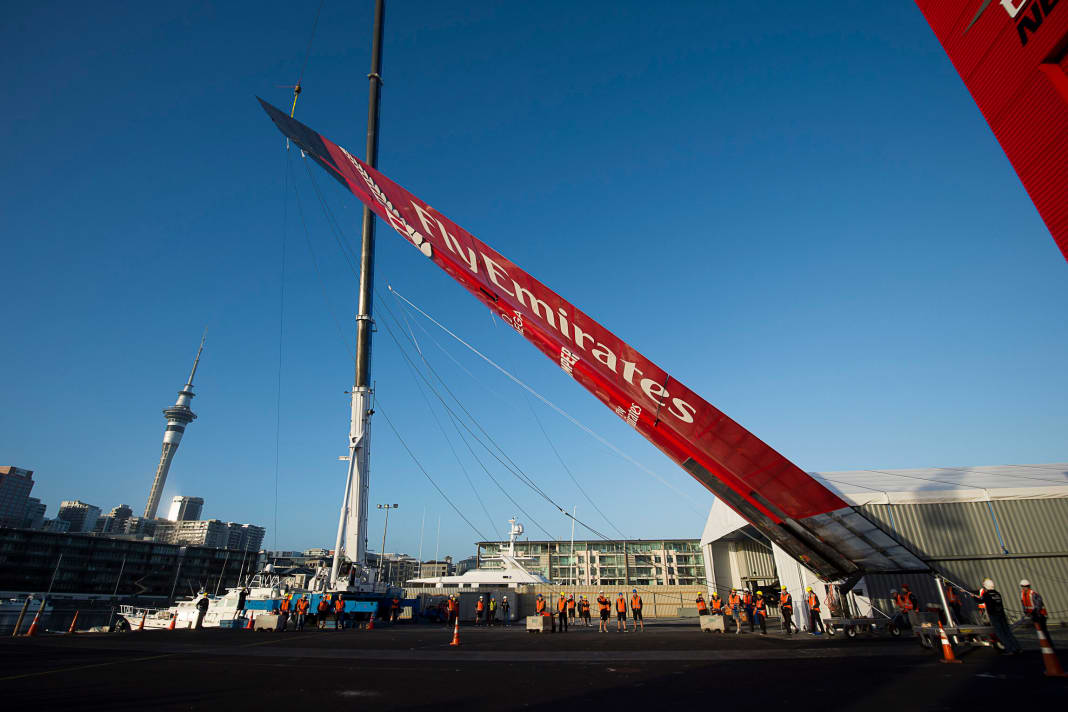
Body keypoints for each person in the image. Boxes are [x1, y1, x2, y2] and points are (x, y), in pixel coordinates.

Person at [975, 578, 1020, 654]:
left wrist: (973, 596)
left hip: (994, 616)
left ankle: (1010, 649)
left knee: (1001, 634)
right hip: (1001, 615)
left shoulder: (986, 595)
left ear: (986, 586)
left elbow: (980, 601)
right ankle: (1017, 648)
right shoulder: (997, 593)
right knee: (1007, 632)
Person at [1020, 579, 1052, 649]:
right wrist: (1026, 612)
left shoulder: (1033, 594)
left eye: (1026, 586)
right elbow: (1024, 605)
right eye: (1023, 586)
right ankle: (1044, 644)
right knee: (1039, 631)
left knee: (1043, 630)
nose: (1025, 588)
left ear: (1029, 586)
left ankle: (1049, 645)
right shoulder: (1022, 594)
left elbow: (1038, 604)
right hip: (1033, 615)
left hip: (1040, 615)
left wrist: (1034, 612)